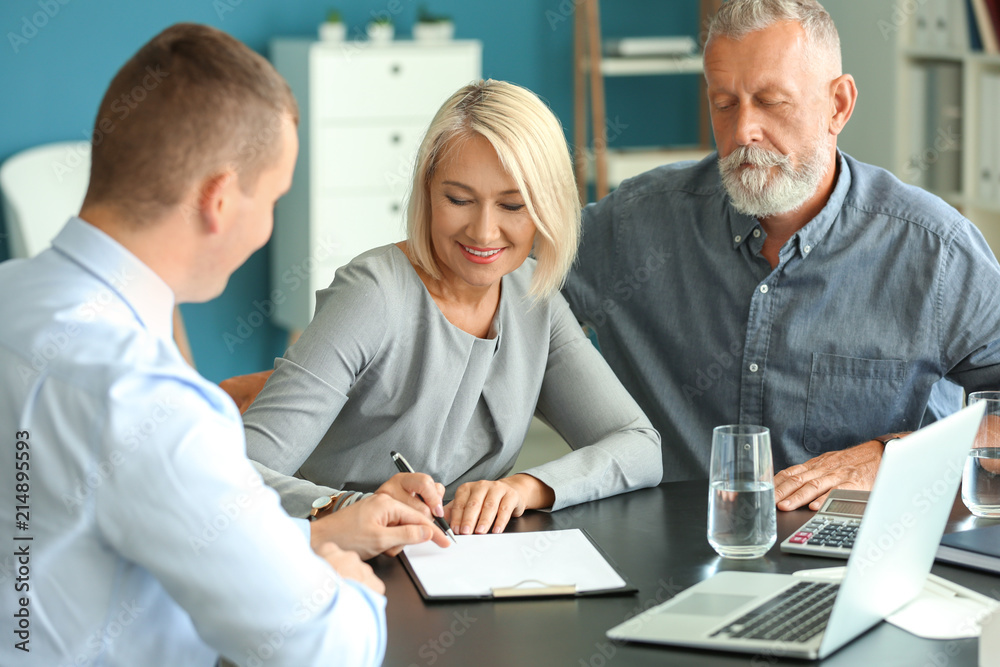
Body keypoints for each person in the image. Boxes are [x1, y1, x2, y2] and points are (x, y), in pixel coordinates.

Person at [0, 24, 449, 667]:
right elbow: (322, 648)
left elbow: (98, 528)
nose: (267, 227)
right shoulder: (149, 399)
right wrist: (338, 580)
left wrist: (308, 534)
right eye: (272, 199)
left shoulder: (12, 297)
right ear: (218, 199)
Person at [562, 0, 1000, 512]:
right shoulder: (635, 223)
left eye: (771, 102)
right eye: (725, 103)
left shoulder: (936, 251)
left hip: (859, 558)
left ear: (838, 105)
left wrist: (891, 456)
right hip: (678, 558)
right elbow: (499, 289)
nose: (744, 130)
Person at [240, 80, 663, 537]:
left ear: (547, 207)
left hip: (452, 567)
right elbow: (234, 473)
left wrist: (526, 487)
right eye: (459, 200)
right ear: (427, 193)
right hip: (334, 562)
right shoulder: (372, 294)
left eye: (512, 205)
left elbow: (639, 446)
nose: (483, 232)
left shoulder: (532, 300)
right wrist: (348, 507)